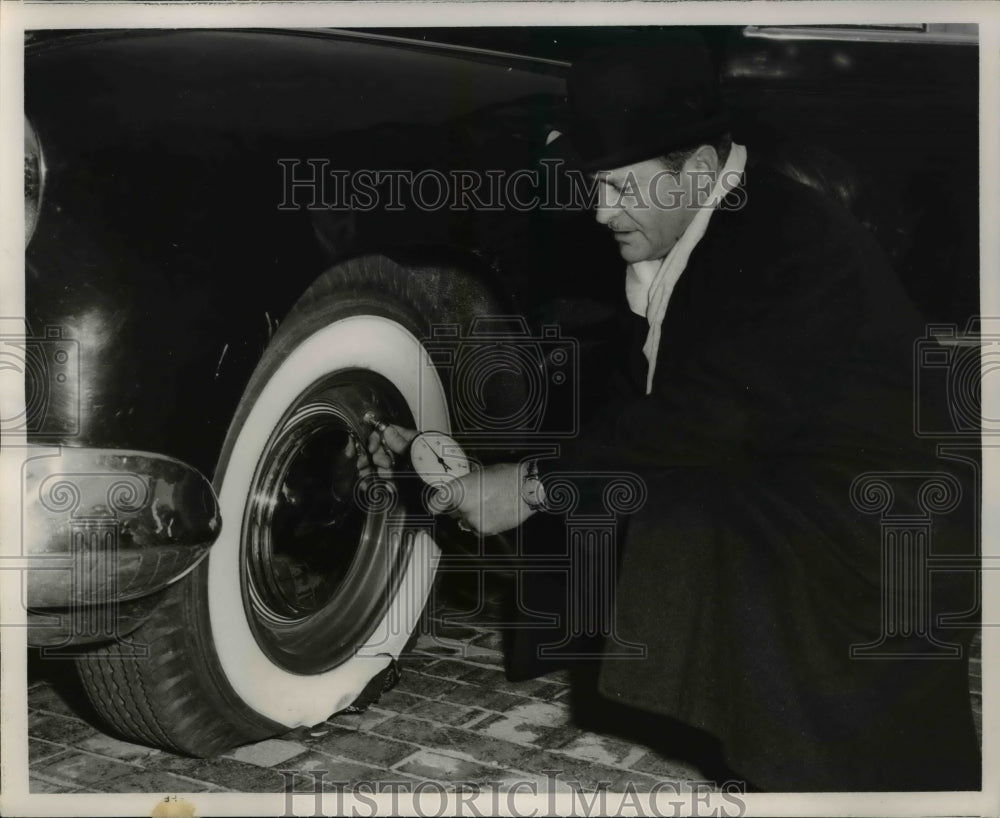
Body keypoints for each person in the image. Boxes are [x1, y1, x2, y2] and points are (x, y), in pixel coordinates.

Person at [360, 33, 980, 792]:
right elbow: (627, 413)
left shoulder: (788, 239)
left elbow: (703, 423)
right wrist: (468, 467)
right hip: (801, 483)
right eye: (595, 185)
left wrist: (523, 486)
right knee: (605, 477)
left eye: (621, 188)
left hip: (879, 544)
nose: (599, 211)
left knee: (655, 506)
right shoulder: (707, 223)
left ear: (699, 170)